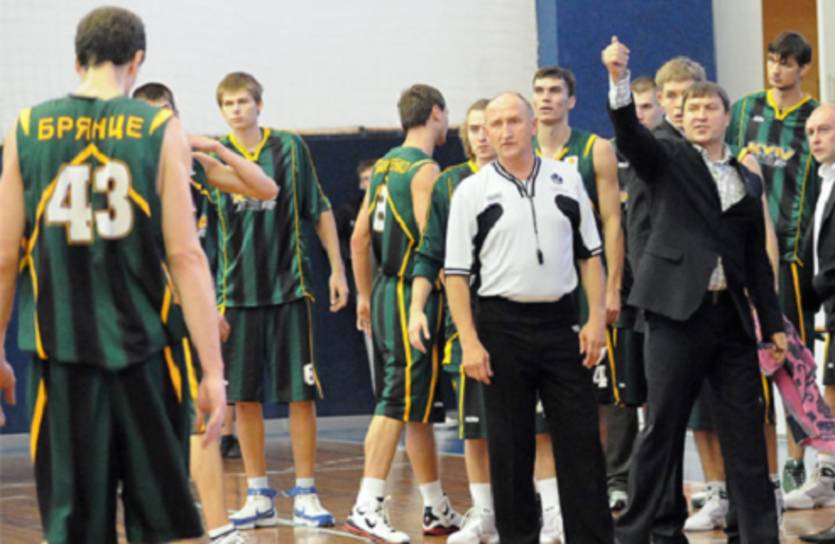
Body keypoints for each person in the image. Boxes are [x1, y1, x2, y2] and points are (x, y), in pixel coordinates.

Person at [0, 7, 228, 542]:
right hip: (146, 356)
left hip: (62, 356)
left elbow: (5, 257)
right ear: (137, 59)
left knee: (75, 525)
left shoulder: (27, 128)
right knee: (158, 522)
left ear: (76, 60)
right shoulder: (161, 129)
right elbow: (186, 256)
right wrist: (213, 371)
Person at [603, 36, 787, 544]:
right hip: (674, 317)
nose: (700, 115)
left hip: (730, 320)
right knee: (662, 428)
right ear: (679, 118)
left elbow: (756, 261)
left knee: (746, 431)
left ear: (728, 117)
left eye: (710, 108)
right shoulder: (667, 158)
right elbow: (629, 134)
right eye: (691, 109)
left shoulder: (746, 179)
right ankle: (636, 534)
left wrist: (772, 325)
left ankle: (758, 533)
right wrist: (619, 79)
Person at [445, 91, 613, 543]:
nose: (505, 131)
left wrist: (596, 319)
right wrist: (469, 341)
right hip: (501, 329)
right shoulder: (471, 191)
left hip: (562, 325)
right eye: (495, 124)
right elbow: (456, 275)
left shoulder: (566, 179)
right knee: (509, 448)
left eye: (514, 121)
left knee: (581, 443)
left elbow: (590, 255)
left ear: (532, 125)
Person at [132, 81, 277, 543]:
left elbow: (267, 188)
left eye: (166, 114)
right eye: (151, 117)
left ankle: (218, 527)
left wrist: (217, 148)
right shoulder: (130, 169)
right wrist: (197, 306)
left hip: (185, 310)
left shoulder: (193, 164)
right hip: (141, 313)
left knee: (201, 419)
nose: (160, 124)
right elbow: (159, 253)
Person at [213, 71, 349, 530]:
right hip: (237, 295)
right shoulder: (212, 159)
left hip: (290, 290)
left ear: (259, 104)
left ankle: (306, 492)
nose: (237, 109)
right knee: (244, 398)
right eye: (228, 103)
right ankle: (258, 495)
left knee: (300, 394)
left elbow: (320, 208)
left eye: (243, 101)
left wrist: (338, 269)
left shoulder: (290, 148)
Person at [346, 84, 462, 543]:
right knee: (396, 401)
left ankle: (435, 506)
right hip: (412, 294)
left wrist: (363, 295)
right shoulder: (425, 169)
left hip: (382, 289)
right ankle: (366, 505)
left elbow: (359, 238)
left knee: (417, 408)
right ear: (436, 113)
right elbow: (431, 244)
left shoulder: (383, 164)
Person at [727, 31, 823, 497]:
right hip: (743, 254)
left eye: (786, 62)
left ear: (803, 68)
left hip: (792, 257)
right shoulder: (745, 109)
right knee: (748, 361)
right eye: (772, 60)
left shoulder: (815, 117)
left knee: (792, 360)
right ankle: (758, 471)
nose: (777, 70)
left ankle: (799, 462)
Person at [531, 65, 623, 541]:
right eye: (539, 91)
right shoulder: (520, 151)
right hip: (538, 295)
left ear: (571, 100)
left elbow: (612, 222)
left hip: (585, 289)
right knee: (540, 413)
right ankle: (552, 508)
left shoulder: (594, 149)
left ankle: (595, 492)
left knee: (594, 401)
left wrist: (611, 290)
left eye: (555, 91)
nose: (546, 98)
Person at [408, 98, 500, 543]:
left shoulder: (529, 177)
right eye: (475, 128)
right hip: (466, 324)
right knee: (474, 428)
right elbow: (429, 252)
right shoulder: (449, 183)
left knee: (533, 427)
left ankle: (543, 509)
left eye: (490, 126)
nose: (483, 135)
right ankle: (486, 515)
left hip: (520, 321)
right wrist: (415, 309)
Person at [603, 75, 663, 512]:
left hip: (661, 292)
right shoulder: (607, 154)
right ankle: (619, 479)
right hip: (620, 293)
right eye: (635, 107)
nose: (640, 115)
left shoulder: (669, 155)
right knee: (623, 393)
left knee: (662, 393)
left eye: (647, 107)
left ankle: (660, 483)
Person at [797, 102, 835, 544]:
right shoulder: (823, 180)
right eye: (810, 132)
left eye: (824, 129)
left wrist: (814, 292)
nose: (816, 138)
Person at [335, 159, 376, 388]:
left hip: (394, 284)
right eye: (366, 179)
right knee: (373, 343)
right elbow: (336, 237)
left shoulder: (395, 206)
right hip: (365, 287)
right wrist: (349, 258)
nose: (370, 183)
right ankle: (382, 395)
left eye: (374, 178)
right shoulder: (350, 210)